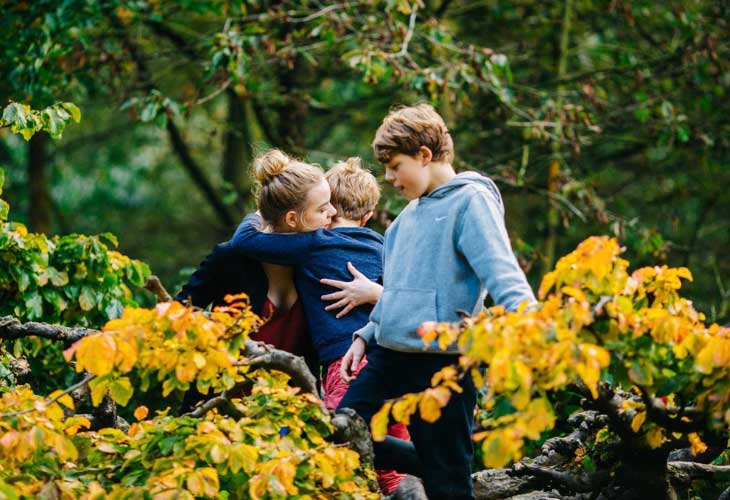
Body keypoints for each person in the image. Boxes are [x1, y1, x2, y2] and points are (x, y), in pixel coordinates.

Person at [337, 104, 537, 500]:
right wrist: (366, 335)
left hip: (443, 362)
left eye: (395, 166)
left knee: (447, 485)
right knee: (340, 429)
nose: (389, 178)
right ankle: (432, 463)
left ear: (425, 155)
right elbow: (395, 292)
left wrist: (535, 330)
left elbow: (503, 273)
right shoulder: (405, 220)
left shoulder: (470, 202)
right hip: (390, 355)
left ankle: (442, 466)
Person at [229, 157, 409, 495]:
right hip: (394, 361)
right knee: (393, 465)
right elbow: (407, 299)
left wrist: (258, 214)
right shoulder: (383, 245)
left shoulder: (316, 242)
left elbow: (244, 241)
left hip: (347, 363)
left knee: (336, 450)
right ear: (368, 216)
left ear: (326, 215)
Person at [175, 149, 334, 404]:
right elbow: (178, 310)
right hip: (219, 410)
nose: (333, 213)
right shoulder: (231, 258)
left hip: (289, 417)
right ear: (292, 218)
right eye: (323, 208)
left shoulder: (317, 263)